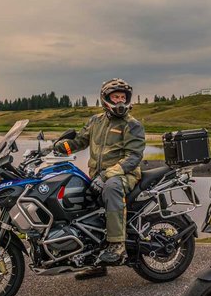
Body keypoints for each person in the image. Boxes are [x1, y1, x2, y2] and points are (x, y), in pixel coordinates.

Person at [54, 78, 145, 279]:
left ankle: (117, 245)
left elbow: (133, 157)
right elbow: (79, 141)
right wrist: (59, 147)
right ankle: (91, 258)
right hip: (97, 175)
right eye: (116, 97)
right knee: (79, 198)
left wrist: (106, 175)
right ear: (106, 99)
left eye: (123, 97)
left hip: (124, 174)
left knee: (111, 188)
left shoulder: (132, 125)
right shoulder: (96, 121)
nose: (120, 101)